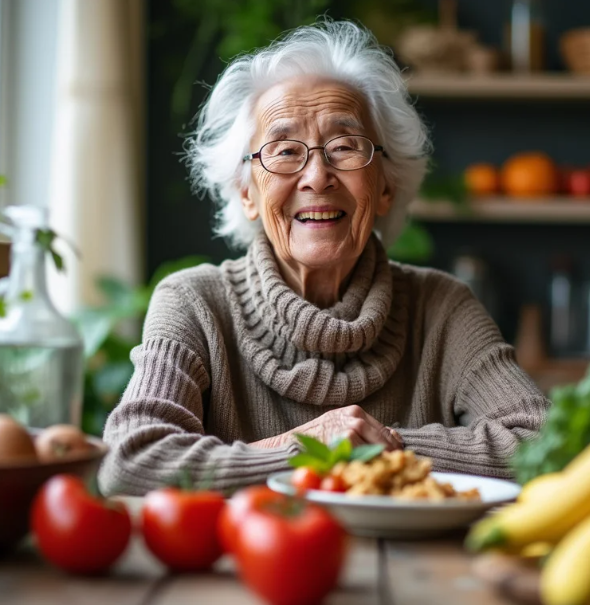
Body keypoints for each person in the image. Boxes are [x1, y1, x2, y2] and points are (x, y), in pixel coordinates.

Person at [99, 20, 549, 495]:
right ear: (247, 192)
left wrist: (382, 448)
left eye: (344, 147)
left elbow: (543, 441)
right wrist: (306, 449)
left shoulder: (443, 308)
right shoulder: (193, 303)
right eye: (285, 150)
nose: (317, 175)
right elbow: (132, 460)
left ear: (387, 188)